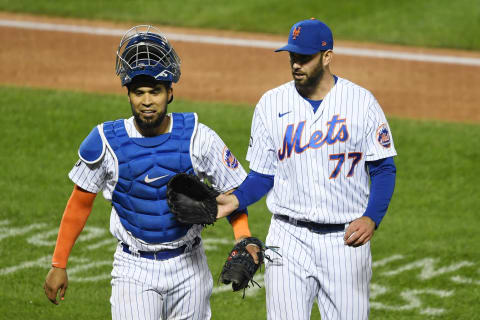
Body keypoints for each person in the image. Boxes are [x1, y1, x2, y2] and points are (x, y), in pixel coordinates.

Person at [43, 25, 257, 320]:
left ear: (170, 92)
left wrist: (242, 238)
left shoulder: (199, 138)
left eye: (155, 91)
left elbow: (234, 193)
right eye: (138, 92)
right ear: (128, 93)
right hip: (134, 270)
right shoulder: (106, 141)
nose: (146, 101)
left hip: (189, 266)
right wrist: (59, 263)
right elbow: (81, 201)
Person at [217, 18, 397, 319]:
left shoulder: (361, 103)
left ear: (327, 56)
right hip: (288, 238)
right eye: (292, 57)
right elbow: (263, 174)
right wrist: (236, 200)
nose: (296, 64)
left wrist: (371, 218)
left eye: (304, 58)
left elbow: (383, 168)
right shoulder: (270, 104)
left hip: (345, 240)